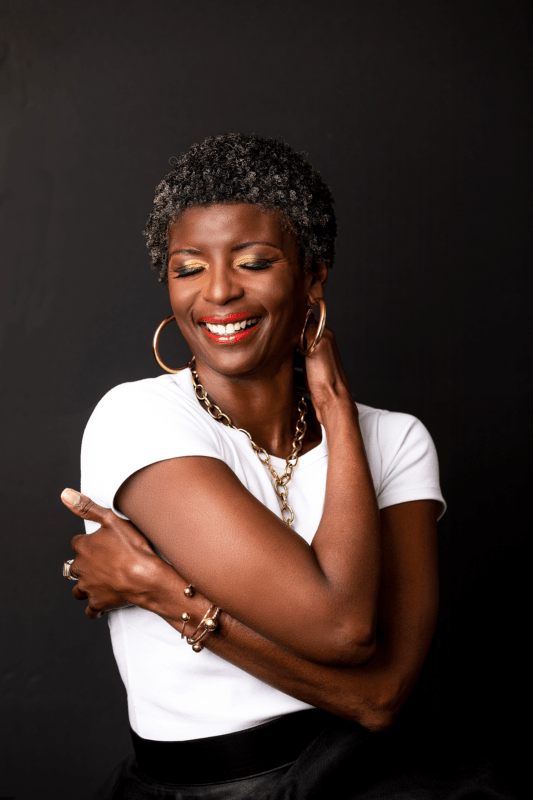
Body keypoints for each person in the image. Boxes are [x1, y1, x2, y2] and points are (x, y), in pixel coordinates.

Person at [61, 133, 494, 799]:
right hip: (200, 787)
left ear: (312, 276)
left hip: (373, 776)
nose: (219, 292)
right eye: (187, 268)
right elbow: (342, 640)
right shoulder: (137, 418)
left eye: (254, 261)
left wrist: (163, 593)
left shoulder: (398, 440)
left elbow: (368, 679)